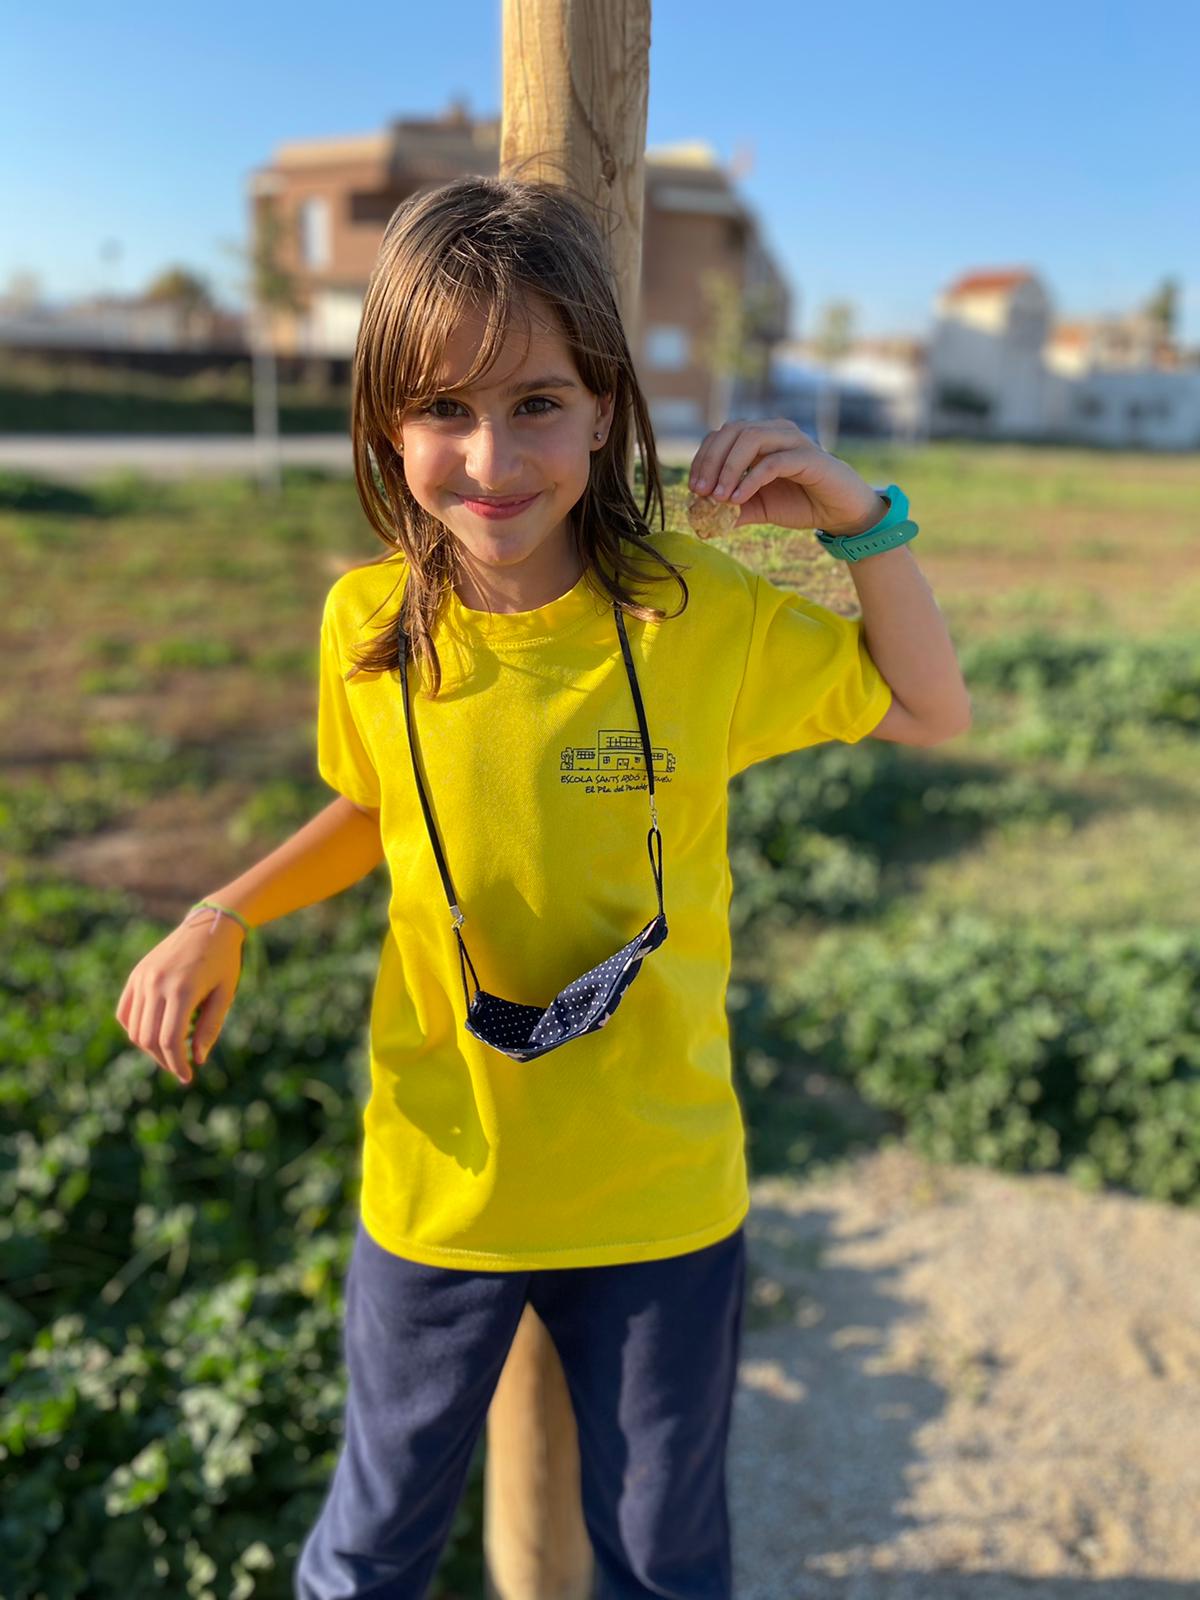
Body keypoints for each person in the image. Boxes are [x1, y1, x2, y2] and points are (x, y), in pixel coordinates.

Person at [115, 174, 971, 1599]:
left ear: (605, 411)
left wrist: (864, 522)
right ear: (386, 426)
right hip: (442, 1183)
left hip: (658, 1194)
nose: (491, 457)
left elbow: (931, 710)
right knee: (370, 1547)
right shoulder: (366, 623)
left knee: (663, 1560)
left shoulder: (694, 611)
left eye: (537, 404)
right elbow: (375, 807)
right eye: (442, 409)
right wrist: (225, 911)